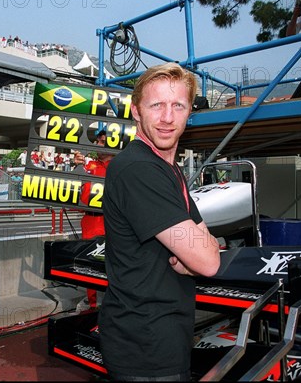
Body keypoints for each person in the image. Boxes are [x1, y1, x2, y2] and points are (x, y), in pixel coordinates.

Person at [99, 62, 220, 381]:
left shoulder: (169, 170)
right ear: (136, 111)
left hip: (166, 340)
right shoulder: (139, 169)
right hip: (144, 349)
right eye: (157, 106)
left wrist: (193, 255)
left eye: (178, 105)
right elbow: (208, 261)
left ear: (189, 112)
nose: (168, 117)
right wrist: (194, 256)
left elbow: (208, 245)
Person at [74, 127, 113, 310]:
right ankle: (92, 306)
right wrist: (76, 166)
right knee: (90, 267)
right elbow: (72, 190)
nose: (97, 144)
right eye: (97, 141)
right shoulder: (89, 165)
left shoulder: (121, 166)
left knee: (111, 267)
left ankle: (111, 306)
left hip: (112, 223)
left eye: (101, 141)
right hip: (90, 223)